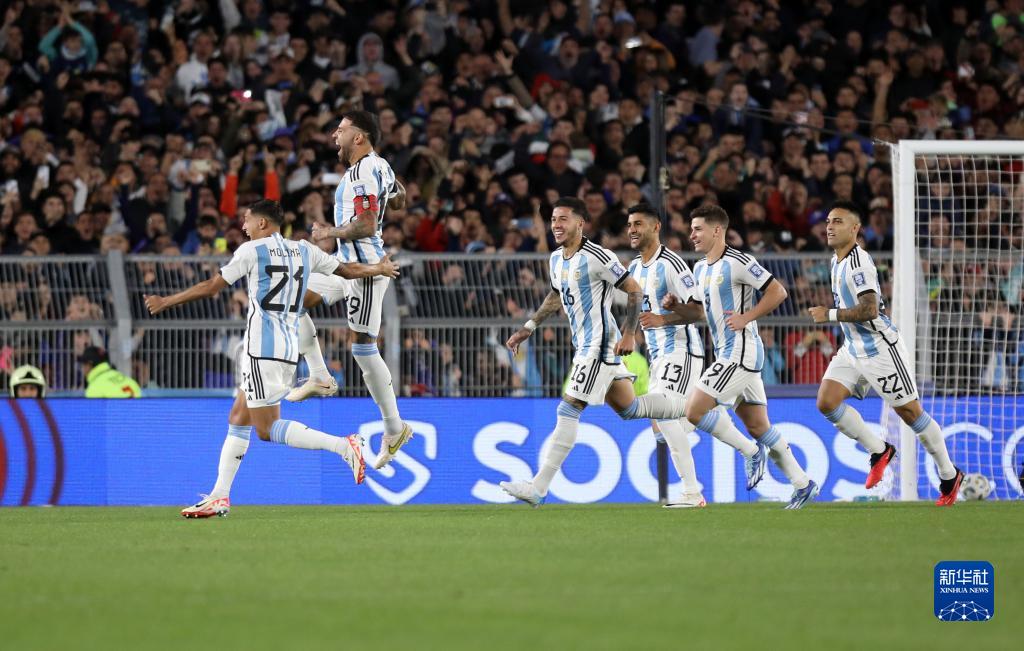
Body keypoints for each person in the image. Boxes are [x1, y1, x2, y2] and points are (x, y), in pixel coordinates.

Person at [143, 200, 400, 518]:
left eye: (247, 220)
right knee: (239, 416)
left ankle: (344, 446)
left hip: (260, 349)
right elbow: (347, 270)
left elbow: (212, 287)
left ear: (263, 223)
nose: (243, 226)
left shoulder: (251, 251)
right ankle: (219, 495)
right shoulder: (303, 250)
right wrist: (379, 269)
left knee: (266, 429)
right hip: (288, 349)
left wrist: (166, 301)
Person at [499, 197, 692, 507]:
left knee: (568, 408)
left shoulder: (598, 256)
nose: (556, 225)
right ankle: (696, 407)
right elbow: (556, 294)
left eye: (563, 219)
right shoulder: (556, 259)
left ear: (580, 223)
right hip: (586, 346)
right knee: (629, 409)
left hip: (599, 345)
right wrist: (529, 326)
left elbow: (634, 290)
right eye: (553, 220)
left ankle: (538, 487)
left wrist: (629, 333)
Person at [809, 201, 964, 505]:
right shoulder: (835, 260)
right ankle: (879, 450)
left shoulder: (859, 264)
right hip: (853, 348)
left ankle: (949, 474)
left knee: (910, 413)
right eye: (828, 221)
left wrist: (829, 315)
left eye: (838, 221)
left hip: (880, 350)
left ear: (855, 229)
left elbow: (869, 309)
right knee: (826, 402)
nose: (830, 227)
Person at [664, 204, 818, 509]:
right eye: (691, 229)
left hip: (740, 353)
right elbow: (699, 313)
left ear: (717, 230)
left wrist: (747, 317)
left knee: (694, 411)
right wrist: (675, 307)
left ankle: (750, 451)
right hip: (728, 353)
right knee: (759, 426)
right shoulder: (700, 268)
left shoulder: (739, 262)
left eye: (698, 229)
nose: (691, 235)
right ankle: (803, 483)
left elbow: (778, 292)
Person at [297, 110, 414, 471]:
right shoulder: (379, 166)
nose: (335, 135)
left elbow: (366, 224)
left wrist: (328, 232)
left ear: (359, 137)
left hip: (363, 268)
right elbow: (400, 199)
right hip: (344, 263)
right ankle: (319, 374)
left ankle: (394, 428)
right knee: (292, 299)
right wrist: (388, 191)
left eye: (342, 130)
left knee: (363, 348)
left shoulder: (363, 171)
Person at [626, 203, 707, 508]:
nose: (632, 230)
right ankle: (712, 412)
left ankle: (692, 492)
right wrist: (628, 333)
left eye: (638, 224)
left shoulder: (672, 264)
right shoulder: (634, 268)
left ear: (656, 226)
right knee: (664, 428)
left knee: (664, 416)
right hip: (657, 356)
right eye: (629, 225)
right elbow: (634, 305)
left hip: (682, 351)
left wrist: (663, 319)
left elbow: (698, 311)